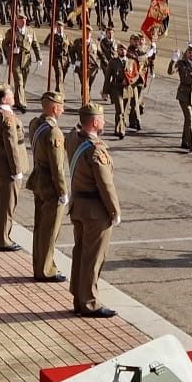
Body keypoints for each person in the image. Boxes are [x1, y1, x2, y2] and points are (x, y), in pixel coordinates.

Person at [67, 103, 120, 317]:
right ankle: (90, 302)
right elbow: (106, 185)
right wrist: (115, 211)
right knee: (93, 257)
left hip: (78, 205)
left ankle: (79, 298)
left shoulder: (73, 140)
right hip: (95, 211)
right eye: (102, 119)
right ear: (95, 122)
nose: (105, 122)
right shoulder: (96, 150)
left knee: (80, 253)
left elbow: (73, 130)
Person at [25, 90, 68, 282]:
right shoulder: (54, 132)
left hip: (38, 180)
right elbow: (57, 167)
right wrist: (63, 191)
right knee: (50, 230)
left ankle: (39, 265)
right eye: (61, 106)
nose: (63, 109)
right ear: (54, 108)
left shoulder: (35, 124)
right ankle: (46, 269)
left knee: (40, 226)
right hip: (50, 185)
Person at [0, 84, 26, 252]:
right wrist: (16, 170)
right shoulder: (7, 119)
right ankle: (2, 240)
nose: (13, 96)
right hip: (6, 164)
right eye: (10, 94)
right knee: (6, 204)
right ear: (3, 99)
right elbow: (11, 146)